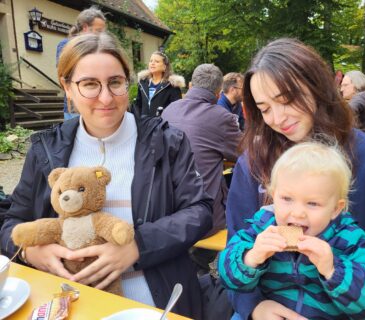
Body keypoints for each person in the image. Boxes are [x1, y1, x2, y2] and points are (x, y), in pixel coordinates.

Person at [1, 33, 212, 320]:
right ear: (67, 87)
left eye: (115, 82)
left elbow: (200, 211)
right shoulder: (45, 149)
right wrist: (29, 252)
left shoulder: (165, 141)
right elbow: (12, 221)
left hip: (154, 299)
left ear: (128, 82)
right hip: (72, 302)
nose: (105, 97)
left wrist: (138, 245)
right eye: (89, 84)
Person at [225, 38, 365, 320]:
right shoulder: (253, 163)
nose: (278, 118)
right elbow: (235, 252)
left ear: (317, 87)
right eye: (265, 108)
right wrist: (254, 308)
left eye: (285, 99)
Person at [220, 141, 365, 319]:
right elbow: (226, 275)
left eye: (312, 203)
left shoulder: (349, 239)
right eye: (287, 198)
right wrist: (251, 257)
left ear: (336, 208)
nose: (297, 213)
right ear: (273, 196)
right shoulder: (261, 229)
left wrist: (333, 270)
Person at [162, 64, 241, 274]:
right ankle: (199, 269)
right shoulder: (221, 117)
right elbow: (242, 153)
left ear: (190, 85)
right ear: (218, 93)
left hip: (166, 210)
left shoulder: (170, 110)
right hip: (204, 219)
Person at [56, 5, 106, 120]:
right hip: (76, 107)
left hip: (99, 103)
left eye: (103, 32)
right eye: (98, 31)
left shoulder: (101, 46)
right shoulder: (66, 45)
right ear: (85, 28)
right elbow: (63, 75)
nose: (102, 35)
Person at [132, 51, 185, 117]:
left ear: (164, 67)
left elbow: (177, 110)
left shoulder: (172, 86)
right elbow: (138, 105)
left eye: (157, 61)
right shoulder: (142, 83)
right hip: (143, 125)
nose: (152, 63)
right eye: (151, 61)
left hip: (162, 125)